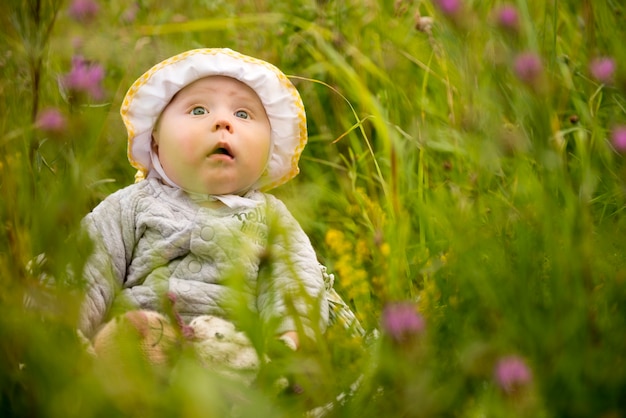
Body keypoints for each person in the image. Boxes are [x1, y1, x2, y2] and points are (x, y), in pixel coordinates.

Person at [77, 48, 331, 373]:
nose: (223, 122)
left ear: (269, 151)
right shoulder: (132, 204)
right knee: (132, 336)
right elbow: (87, 266)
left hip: (230, 348)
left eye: (243, 114)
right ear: (155, 141)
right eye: (198, 110)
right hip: (143, 339)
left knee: (237, 362)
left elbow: (295, 280)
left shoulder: (270, 217)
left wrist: (290, 337)